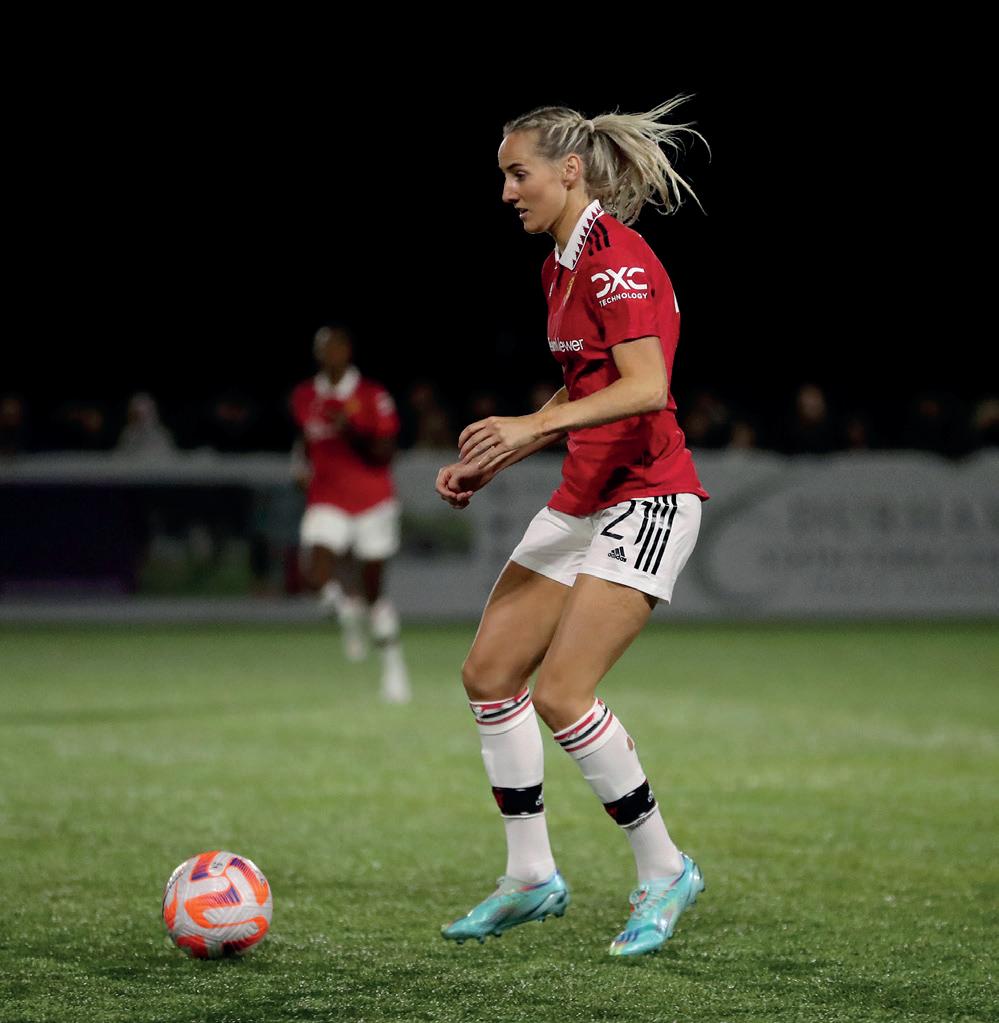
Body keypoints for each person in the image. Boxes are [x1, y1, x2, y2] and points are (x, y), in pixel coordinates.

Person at [435, 97, 710, 957]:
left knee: (561, 692)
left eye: (517, 174)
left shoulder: (613, 259)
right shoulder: (559, 264)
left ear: (569, 170)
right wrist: (506, 451)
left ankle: (664, 868)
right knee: (489, 673)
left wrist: (529, 425)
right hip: (585, 494)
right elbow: (587, 384)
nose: (506, 191)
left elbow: (645, 386)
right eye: (502, 175)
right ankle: (529, 876)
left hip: (649, 496)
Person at [292, 325, 411, 703]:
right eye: (323, 348)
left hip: (373, 501)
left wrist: (352, 430)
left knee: (374, 591)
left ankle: (393, 668)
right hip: (327, 498)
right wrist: (299, 465)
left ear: (347, 351)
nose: (330, 354)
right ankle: (346, 613)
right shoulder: (305, 395)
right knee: (314, 574)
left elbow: (385, 452)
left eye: (335, 347)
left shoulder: (372, 395)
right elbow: (305, 440)